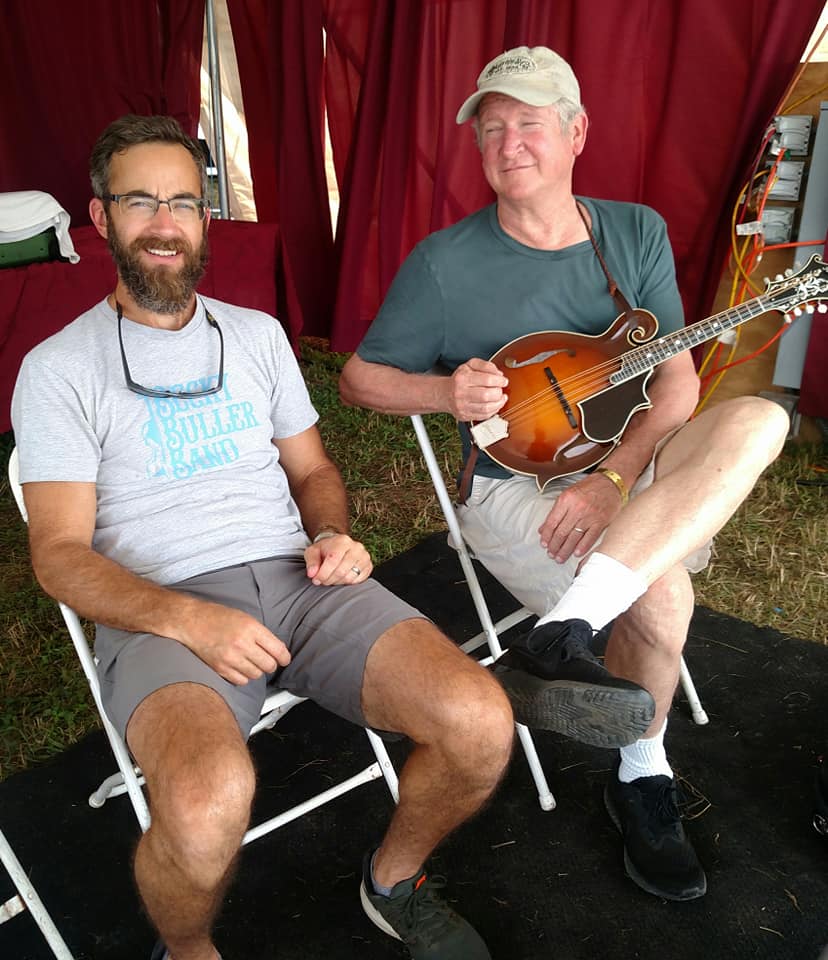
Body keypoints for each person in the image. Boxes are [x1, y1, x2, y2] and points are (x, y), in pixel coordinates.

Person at [10, 115, 519, 960]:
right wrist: (187, 619)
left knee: (479, 724)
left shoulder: (255, 336)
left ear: (206, 217)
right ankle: (188, 948)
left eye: (184, 201)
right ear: (101, 218)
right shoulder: (60, 369)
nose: (166, 223)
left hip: (301, 581)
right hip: (159, 609)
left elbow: (313, 470)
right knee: (207, 802)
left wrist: (331, 532)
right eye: (141, 202)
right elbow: (58, 555)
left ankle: (393, 881)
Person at [340, 45, 790, 903]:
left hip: (627, 458)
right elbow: (360, 378)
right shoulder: (443, 263)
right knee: (658, 596)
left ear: (576, 131)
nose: (510, 142)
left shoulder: (634, 231)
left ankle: (563, 630)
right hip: (514, 480)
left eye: (530, 122)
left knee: (760, 416)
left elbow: (677, 382)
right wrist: (442, 388)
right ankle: (641, 775)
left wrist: (615, 481)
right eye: (492, 127)